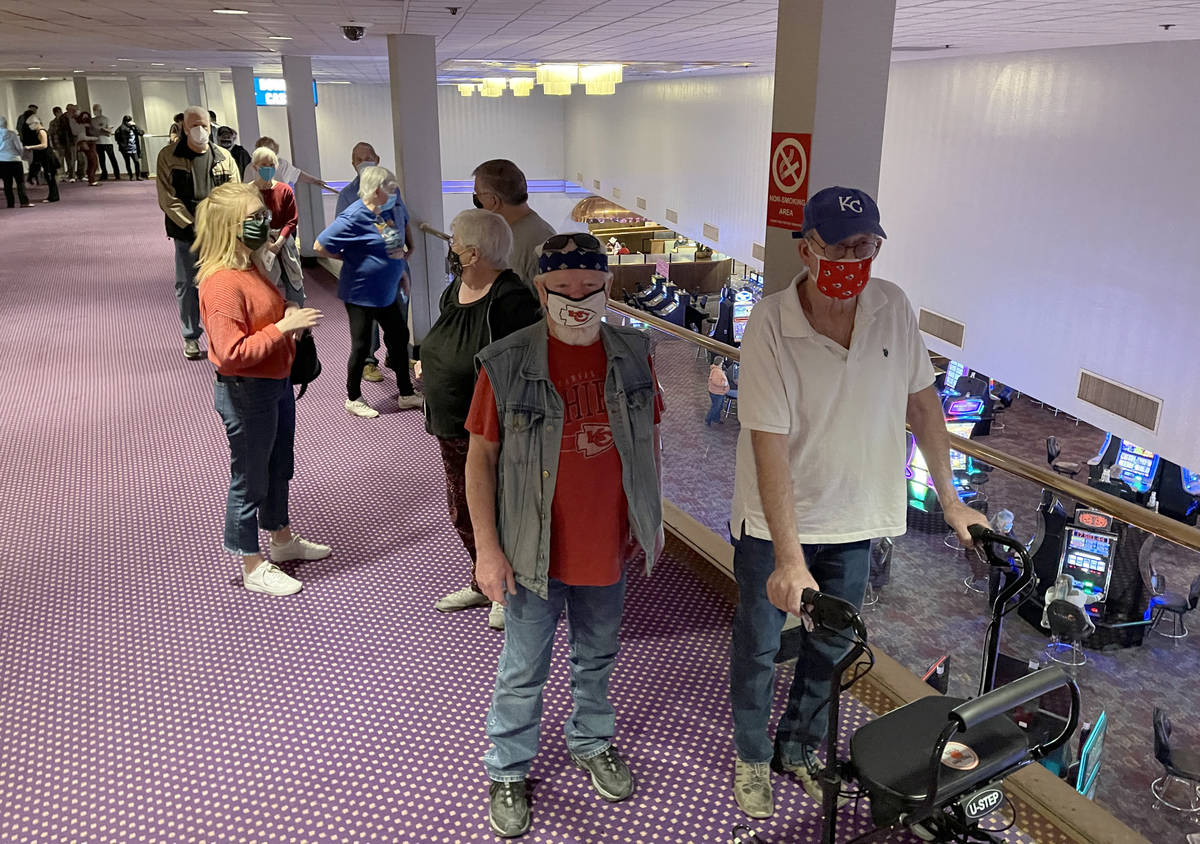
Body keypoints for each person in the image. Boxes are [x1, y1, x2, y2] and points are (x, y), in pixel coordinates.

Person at [727, 186, 989, 820]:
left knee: (832, 648)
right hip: (774, 528)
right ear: (806, 248)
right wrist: (790, 560)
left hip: (855, 519)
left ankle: (798, 747)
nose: (853, 258)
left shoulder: (892, 307)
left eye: (866, 245)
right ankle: (753, 756)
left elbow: (923, 404)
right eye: (839, 246)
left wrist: (951, 499)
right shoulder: (770, 322)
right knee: (761, 644)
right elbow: (768, 443)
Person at [464, 232, 664, 838]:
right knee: (524, 666)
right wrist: (487, 549)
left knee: (598, 655)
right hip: (532, 551)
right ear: (541, 288)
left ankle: (591, 739)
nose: (578, 299)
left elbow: (650, 439)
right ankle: (506, 768)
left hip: (607, 542)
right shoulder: (507, 362)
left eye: (590, 288)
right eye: (563, 289)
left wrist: (644, 516)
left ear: (608, 286)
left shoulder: (633, 352)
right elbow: (480, 461)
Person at [193, 181, 331, 596]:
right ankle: (251, 563)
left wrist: (284, 310)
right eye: (254, 218)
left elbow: (264, 313)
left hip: (274, 381)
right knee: (250, 478)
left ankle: (282, 538)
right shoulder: (221, 284)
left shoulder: (250, 263)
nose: (265, 222)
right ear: (230, 226)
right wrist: (283, 327)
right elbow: (232, 352)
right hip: (247, 388)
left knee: (278, 465)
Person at [420, 209, 541, 629]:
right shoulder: (457, 288)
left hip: (490, 431)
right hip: (450, 422)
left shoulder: (511, 300)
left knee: (495, 510)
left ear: (473, 252)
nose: (449, 247)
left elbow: (520, 370)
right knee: (463, 509)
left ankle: (504, 591)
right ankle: (482, 578)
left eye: (454, 241)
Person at [313, 166, 420, 418]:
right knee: (361, 345)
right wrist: (346, 258)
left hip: (387, 288)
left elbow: (394, 245)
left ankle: (406, 393)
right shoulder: (353, 217)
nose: (395, 193)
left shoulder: (388, 209)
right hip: (360, 292)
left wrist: (400, 273)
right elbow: (320, 245)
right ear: (375, 191)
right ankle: (353, 397)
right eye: (390, 189)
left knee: (399, 336)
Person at [156, 105, 240, 360]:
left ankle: (223, 333)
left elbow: (234, 193)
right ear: (184, 126)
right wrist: (193, 226)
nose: (200, 130)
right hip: (186, 232)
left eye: (204, 125)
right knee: (187, 284)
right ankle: (191, 336)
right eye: (194, 125)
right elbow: (167, 198)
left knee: (222, 283)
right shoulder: (168, 156)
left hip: (218, 231)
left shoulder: (224, 156)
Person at [336, 141, 385, 382]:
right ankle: (368, 361)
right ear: (353, 164)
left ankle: (398, 356)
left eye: (369, 157)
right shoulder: (347, 195)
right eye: (359, 159)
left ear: (377, 159)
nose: (364, 162)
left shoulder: (390, 191)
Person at [471, 159, 555, 286]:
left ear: (494, 201)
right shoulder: (507, 231)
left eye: (477, 195)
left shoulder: (538, 242)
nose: (476, 200)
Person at [248, 146, 304, 306]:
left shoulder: (284, 190)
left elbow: (292, 219)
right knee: (264, 286)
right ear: (255, 167)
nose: (268, 169)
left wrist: (279, 242)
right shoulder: (248, 191)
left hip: (283, 243)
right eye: (263, 165)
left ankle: (299, 324)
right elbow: (247, 221)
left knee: (295, 284)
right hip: (259, 245)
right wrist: (266, 244)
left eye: (271, 165)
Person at [243, 137, 330, 191]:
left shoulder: (282, 164)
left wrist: (314, 180)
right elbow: (247, 189)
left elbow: (297, 174)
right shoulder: (251, 167)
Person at [23, 115, 58, 203]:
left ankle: (53, 196)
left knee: (50, 176)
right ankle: (52, 196)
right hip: (44, 156)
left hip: (47, 156)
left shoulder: (41, 132)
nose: (30, 127)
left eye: (30, 124)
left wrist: (30, 147)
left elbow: (44, 145)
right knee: (48, 176)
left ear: (35, 123)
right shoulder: (38, 131)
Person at [0, 117, 32, 208]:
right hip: (14, 160)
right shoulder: (12, 134)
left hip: (2, 161)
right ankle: (24, 202)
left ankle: (10, 203)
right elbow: (19, 147)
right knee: (20, 182)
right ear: (5, 123)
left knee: (7, 183)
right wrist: (23, 155)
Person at [91, 104, 119, 181]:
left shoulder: (106, 119)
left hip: (107, 142)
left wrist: (105, 130)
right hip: (98, 142)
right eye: (94, 109)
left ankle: (117, 174)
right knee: (101, 159)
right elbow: (92, 131)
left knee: (112, 158)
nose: (95, 111)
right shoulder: (92, 120)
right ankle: (104, 174)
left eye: (96, 109)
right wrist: (100, 130)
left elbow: (109, 130)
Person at [114, 115, 144, 180]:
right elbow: (117, 137)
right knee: (127, 162)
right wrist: (121, 144)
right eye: (128, 121)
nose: (129, 123)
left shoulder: (133, 128)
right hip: (125, 149)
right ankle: (131, 176)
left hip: (134, 148)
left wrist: (135, 126)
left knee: (136, 161)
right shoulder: (121, 129)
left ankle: (138, 176)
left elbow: (141, 133)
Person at [74, 110, 100, 186]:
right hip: (87, 144)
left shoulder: (90, 126)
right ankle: (91, 180)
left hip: (91, 145)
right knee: (93, 163)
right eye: (84, 116)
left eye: (87, 116)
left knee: (92, 162)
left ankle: (91, 179)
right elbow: (82, 137)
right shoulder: (81, 126)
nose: (85, 118)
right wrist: (94, 138)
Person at [47, 107, 70, 182]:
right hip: (59, 143)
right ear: (56, 113)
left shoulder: (64, 121)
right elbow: (50, 133)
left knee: (67, 159)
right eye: (59, 112)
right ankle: (62, 174)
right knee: (61, 159)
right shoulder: (54, 123)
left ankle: (67, 174)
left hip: (64, 142)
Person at [18, 105, 39, 184]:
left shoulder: (26, 122)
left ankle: (33, 177)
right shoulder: (27, 122)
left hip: (30, 144)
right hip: (32, 144)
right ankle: (33, 178)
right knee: (33, 161)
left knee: (33, 162)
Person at [706, 357, 730, 426]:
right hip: (717, 393)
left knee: (718, 407)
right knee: (716, 407)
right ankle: (708, 418)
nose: (722, 364)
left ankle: (716, 419)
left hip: (716, 392)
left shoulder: (716, 370)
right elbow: (716, 381)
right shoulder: (717, 371)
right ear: (719, 363)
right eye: (722, 362)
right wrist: (724, 383)